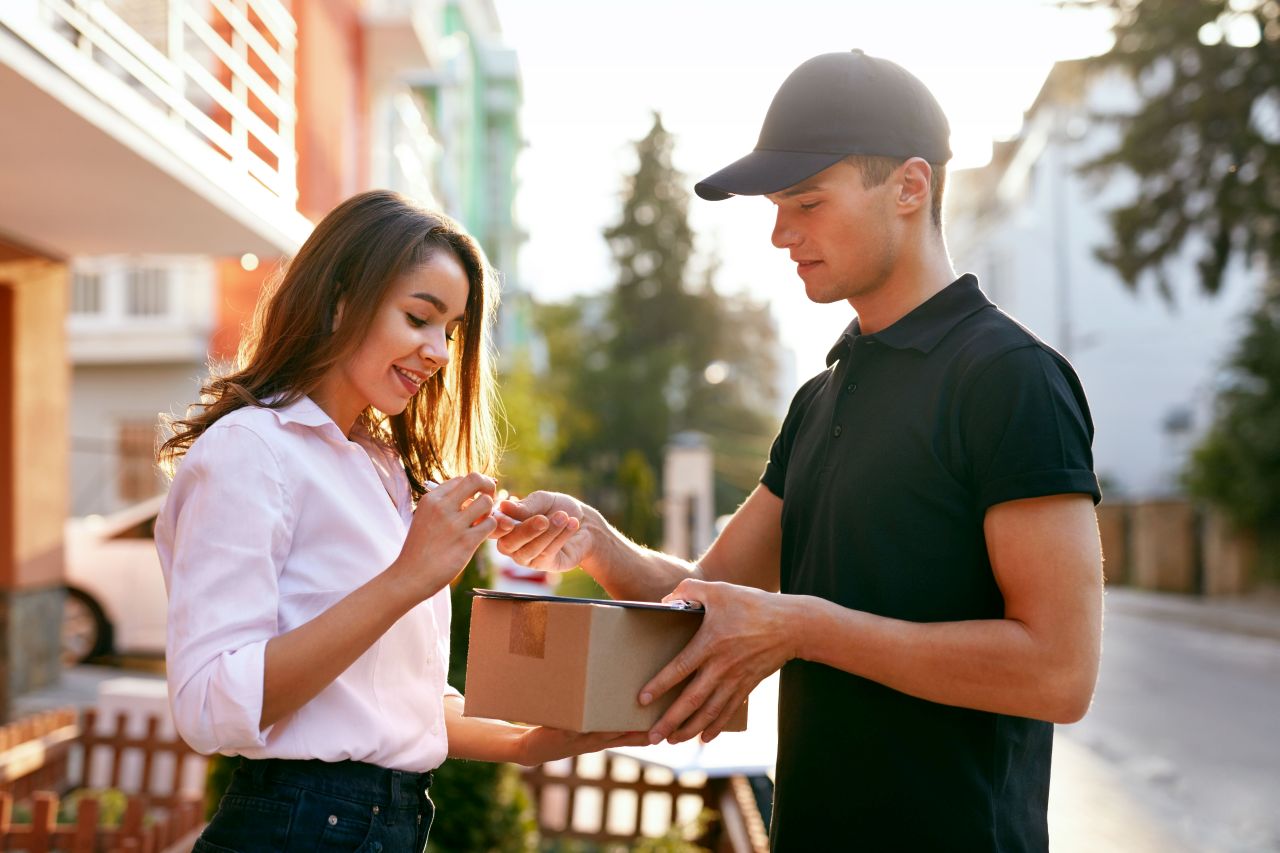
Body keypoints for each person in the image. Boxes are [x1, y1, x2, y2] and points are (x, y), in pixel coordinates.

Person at [496, 51, 1104, 851]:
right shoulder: (823, 395)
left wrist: (805, 627)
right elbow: (707, 600)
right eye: (778, 208)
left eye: (807, 203)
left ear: (911, 188)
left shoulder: (1010, 378)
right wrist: (597, 543)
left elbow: (1059, 672)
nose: (782, 234)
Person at [155, 190, 644, 852]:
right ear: (339, 300)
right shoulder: (251, 449)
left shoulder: (384, 468)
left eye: (451, 329)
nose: (439, 351)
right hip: (296, 827)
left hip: (392, 823)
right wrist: (408, 577)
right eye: (420, 317)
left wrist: (528, 743)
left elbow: (387, 702)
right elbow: (211, 702)